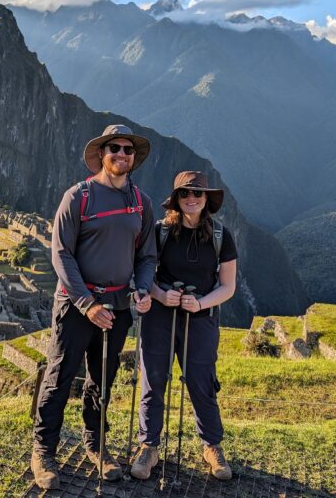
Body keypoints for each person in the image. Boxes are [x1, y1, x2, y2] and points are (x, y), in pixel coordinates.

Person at [31, 124, 156, 490]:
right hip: (76, 305)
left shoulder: (141, 203)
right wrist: (86, 303)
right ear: (102, 154)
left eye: (127, 150)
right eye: (114, 148)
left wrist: (143, 289)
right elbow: (61, 254)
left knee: (103, 379)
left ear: (134, 158)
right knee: (59, 377)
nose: (121, 154)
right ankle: (43, 450)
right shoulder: (79, 197)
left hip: (117, 306)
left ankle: (95, 444)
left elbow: (147, 255)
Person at [130, 170, 237, 481]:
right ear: (176, 199)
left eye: (198, 194)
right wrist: (162, 295)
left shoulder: (221, 236)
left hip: (201, 318)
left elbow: (227, 286)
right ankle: (149, 447)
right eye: (185, 194)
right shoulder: (161, 231)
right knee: (154, 378)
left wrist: (200, 303)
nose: (192, 199)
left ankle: (212, 446)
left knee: (202, 381)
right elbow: (143, 272)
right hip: (161, 316)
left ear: (206, 200)